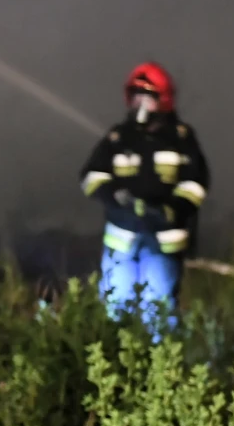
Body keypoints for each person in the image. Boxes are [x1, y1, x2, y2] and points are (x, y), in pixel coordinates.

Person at [77, 61, 210, 334]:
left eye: (147, 97)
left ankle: (158, 369)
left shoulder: (181, 139)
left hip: (163, 242)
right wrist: (114, 196)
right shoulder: (119, 137)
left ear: (163, 100)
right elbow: (90, 176)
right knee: (115, 308)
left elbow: (196, 183)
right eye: (136, 96)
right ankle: (115, 365)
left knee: (159, 312)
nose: (140, 104)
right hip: (122, 240)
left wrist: (172, 209)